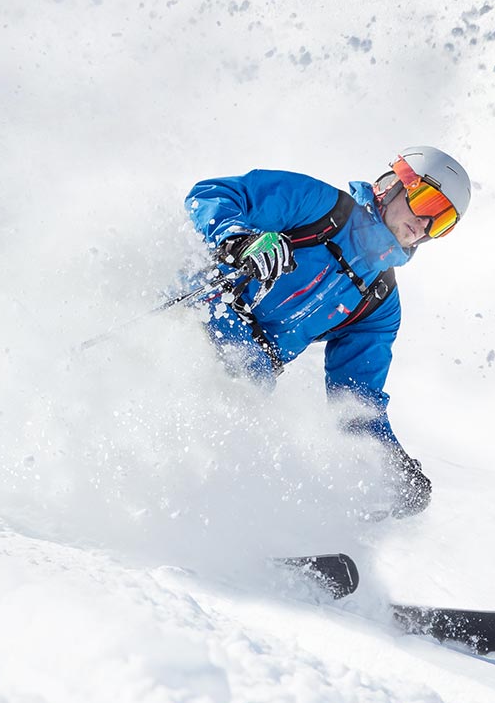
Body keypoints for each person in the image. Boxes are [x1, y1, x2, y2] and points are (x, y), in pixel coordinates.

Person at [183, 146, 472, 516]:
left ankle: (248, 534)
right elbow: (212, 195)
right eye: (427, 203)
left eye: (442, 221)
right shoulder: (319, 208)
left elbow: (355, 399)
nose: (425, 226)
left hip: (243, 379)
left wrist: (388, 462)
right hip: (193, 318)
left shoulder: (378, 301)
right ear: (394, 185)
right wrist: (238, 239)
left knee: (250, 446)